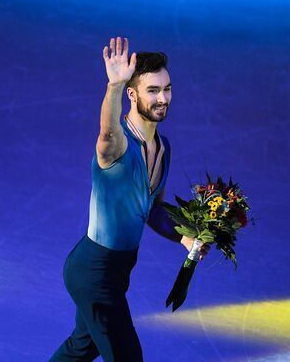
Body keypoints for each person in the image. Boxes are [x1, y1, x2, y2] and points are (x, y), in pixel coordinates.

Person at [49, 37, 210, 362]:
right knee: (126, 355)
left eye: (167, 89)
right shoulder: (117, 146)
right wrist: (114, 86)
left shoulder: (163, 149)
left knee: (83, 345)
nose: (163, 98)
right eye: (153, 90)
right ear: (133, 95)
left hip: (119, 269)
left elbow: (153, 210)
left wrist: (184, 236)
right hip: (93, 269)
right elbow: (106, 134)